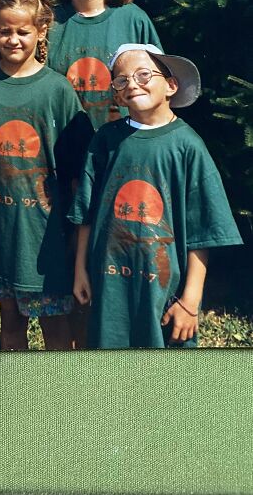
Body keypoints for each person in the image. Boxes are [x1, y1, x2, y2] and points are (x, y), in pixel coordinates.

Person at [70, 43, 243, 349]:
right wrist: (80, 270)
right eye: (121, 80)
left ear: (171, 85)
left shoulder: (187, 147)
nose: (132, 84)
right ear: (116, 92)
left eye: (143, 75)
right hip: (110, 285)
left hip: (166, 293)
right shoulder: (106, 140)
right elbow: (86, 210)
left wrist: (190, 301)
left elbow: (204, 232)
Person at [47, 0, 161, 347]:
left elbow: (156, 96)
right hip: (64, 169)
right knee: (74, 284)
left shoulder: (133, 20)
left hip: (121, 164)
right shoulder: (50, 22)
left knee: (114, 275)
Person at [0, 0, 93, 351]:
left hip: (44, 235)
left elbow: (78, 169)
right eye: (5, 30)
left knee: (55, 324)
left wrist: (72, 232)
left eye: (23, 31)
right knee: (10, 321)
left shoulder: (57, 91)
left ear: (41, 31)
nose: (13, 39)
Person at [48, 0, 161, 130]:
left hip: (121, 150)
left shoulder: (134, 21)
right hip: (61, 151)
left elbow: (158, 93)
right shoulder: (47, 22)